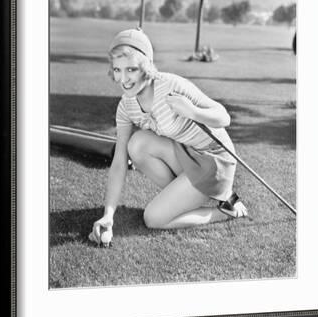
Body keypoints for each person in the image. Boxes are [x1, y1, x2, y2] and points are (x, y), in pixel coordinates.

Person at [90, 28, 247, 245]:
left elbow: (224, 117)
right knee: (136, 144)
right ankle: (184, 197)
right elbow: (119, 162)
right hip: (186, 155)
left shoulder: (171, 85)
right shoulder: (126, 107)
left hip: (214, 159)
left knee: (153, 218)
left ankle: (226, 210)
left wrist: (193, 112)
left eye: (131, 69)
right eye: (117, 69)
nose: (123, 79)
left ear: (146, 66)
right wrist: (108, 214)